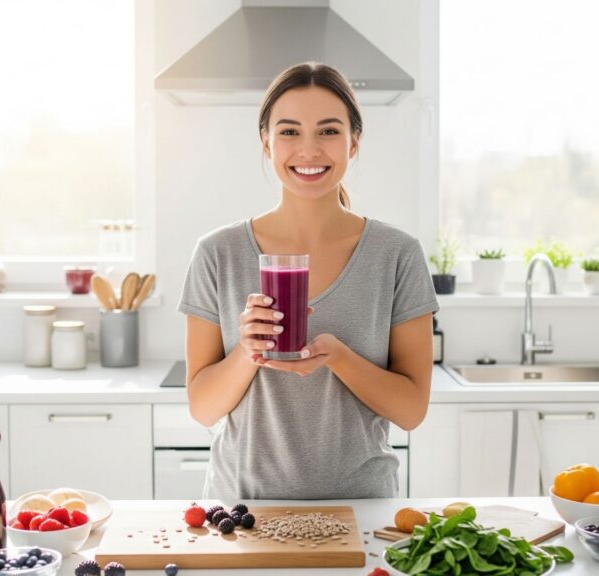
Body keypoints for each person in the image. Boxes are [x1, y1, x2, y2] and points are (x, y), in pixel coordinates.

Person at [178, 62, 439, 501]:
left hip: (363, 513)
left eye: (329, 131)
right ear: (266, 142)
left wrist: (338, 357)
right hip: (243, 513)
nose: (309, 150)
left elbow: (412, 410)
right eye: (290, 131)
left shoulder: (397, 255)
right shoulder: (216, 254)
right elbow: (202, 408)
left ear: (354, 142)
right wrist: (247, 351)